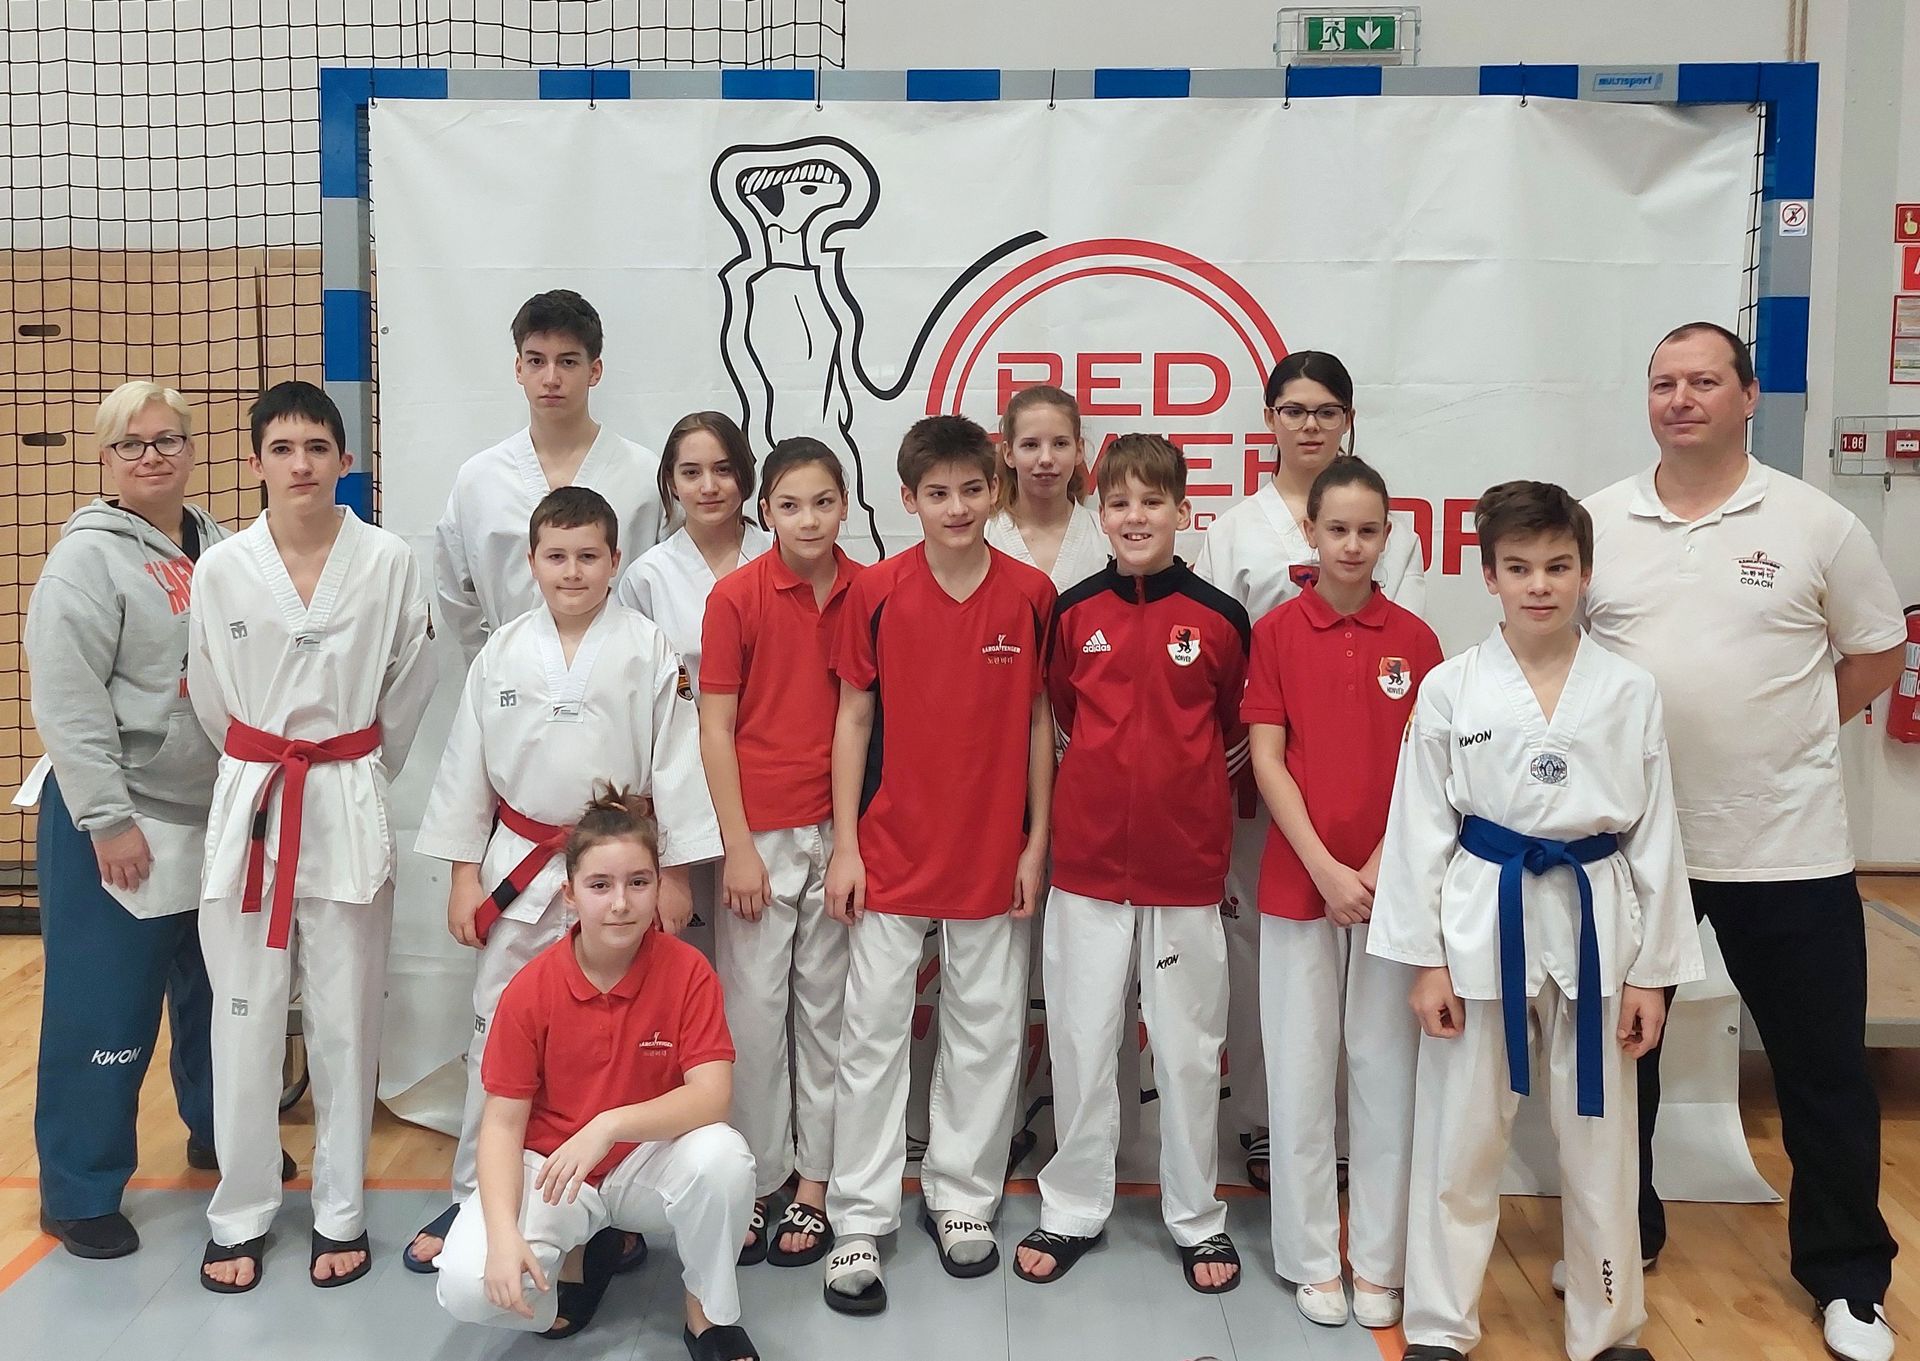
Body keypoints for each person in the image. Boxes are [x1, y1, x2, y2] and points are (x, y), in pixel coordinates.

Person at [1583, 322, 1907, 1361]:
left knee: (1822, 1071)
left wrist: (1786, 737)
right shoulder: (1600, 521)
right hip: (1636, 848)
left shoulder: (1817, 523)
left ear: (1749, 395)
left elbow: (1875, 654)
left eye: (1703, 381)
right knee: (1617, 1064)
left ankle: (1849, 1278)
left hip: (1787, 847)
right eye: (1663, 383)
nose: (1681, 399)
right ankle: (1622, 1240)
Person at [1369, 480, 1703, 1361]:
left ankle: (1609, 1325)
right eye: (1519, 567)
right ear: (1489, 576)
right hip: (1483, 921)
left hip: (1597, 922)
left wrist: (1652, 972)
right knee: (1461, 1138)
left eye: (1558, 566)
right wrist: (1425, 961)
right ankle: (1440, 1323)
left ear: (1585, 572)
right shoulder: (1450, 686)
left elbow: (1656, 835)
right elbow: (1419, 829)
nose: (1540, 584)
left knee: (1602, 1144)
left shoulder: (1628, 688)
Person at [405, 485, 722, 1272]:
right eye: (557, 556)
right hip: (520, 861)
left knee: (620, 1035)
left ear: (616, 559)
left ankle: (610, 1200)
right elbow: (467, 769)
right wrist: (463, 875)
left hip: (618, 868)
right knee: (497, 1029)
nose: (572, 571)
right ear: (531, 561)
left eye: (588, 556)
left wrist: (675, 875)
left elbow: (677, 766)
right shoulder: (502, 651)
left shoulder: (647, 647)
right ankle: (477, 1196)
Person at [188, 381, 436, 1292]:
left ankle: (341, 1209)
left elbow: (410, 680)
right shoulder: (222, 568)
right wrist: (261, 762)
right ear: (256, 461)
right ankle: (240, 1211)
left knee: (346, 1019)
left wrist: (357, 767)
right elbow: (209, 694)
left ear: (345, 460)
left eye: (318, 447)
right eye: (283, 448)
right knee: (243, 1015)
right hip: (255, 799)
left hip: (344, 794)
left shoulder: (388, 560)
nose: (302, 464)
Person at [819, 415, 1056, 1315]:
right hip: (888, 851)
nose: (956, 507)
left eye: (971, 489)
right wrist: (846, 844)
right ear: (907, 498)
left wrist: (1034, 842)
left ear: (995, 491)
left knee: (986, 1034)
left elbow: (1038, 721)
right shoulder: (876, 591)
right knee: (871, 1038)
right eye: (937, 493)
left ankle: (962, 1199)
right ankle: (858, 1216)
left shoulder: (1032, 594)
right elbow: (853, 718)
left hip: (992, 851)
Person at [1011, 434, 1250, 1293]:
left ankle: (1196, 1215)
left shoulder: (1221, 618)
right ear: (1100, 514)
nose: (1136, 517)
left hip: (1184, 871)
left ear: (1184, 511)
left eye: (1153, 501)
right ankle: (1075, 1205)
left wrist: (1183, 808)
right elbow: (1064, 721)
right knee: (1081, 1041)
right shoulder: (1073, 612)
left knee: (1188, 1052)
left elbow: (1232, 736)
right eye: (1119, 503)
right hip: (1085, 868)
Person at [1195, 350, 1426, 1190]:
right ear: (1269, 419)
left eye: (1327, 410)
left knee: (1367, 967)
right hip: (1262, 768)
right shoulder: (1235, 528)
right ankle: (1269, 1122)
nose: (1310, 425)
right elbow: (1214, 655)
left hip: (1361, 771)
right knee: (1266, 954)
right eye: (1293, 410)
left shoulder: (1387, 527)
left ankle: (1351, 1130)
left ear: (1348, 420)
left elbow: (1407, 658)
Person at [434, 785, 760, 1361]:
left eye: (639, 882)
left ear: (658, 887)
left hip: (644, 1162)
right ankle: (583, 1255)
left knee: (724, 1157)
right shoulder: (529, 989)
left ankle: (706, 1314)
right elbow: (502, 1126)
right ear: (570, 894)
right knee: (467, 1286)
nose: (621, 904)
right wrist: (504, 1237)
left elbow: (712, 1097)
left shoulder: (689, 972)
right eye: (600, 885)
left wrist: (609, 1125)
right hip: (556, 1170)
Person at [24, 382, 233, 1259]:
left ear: (191, 447)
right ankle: (78, 1189)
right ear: (106, 459)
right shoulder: (86, 562)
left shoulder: (221, 545)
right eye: (130, 444)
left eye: (167, 439)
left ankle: (224, 1139)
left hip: (212, 814)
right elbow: (68, 699)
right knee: (106, 1011)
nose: (152, 456)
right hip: (119, 818)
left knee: (220, 997)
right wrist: (106, 819)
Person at [1244, 455, 1443, 1329]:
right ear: (1311, 533)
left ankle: (1381, 1261)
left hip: (1393, 889)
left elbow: (1429, 772)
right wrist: (1326, 868)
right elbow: (1266, 759)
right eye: (1337, 529)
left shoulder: (1419, 640)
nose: (1352, 545)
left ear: (1387, 536)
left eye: (1368, 530)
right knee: (1298, 1073)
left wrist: (1380, 865)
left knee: (1385, 1073)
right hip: (1302, 882)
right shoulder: (1277, 632)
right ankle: (1311, 1256)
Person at [699, 438, 862, 1270]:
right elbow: (714, 726)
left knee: (827, 1015)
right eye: (790, 504)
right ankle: (759, 1178)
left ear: (846, 505)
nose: (808, 520)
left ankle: (816, 1182)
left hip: (839, 828)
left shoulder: (870, 590)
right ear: (764, 511)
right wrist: (737, 847)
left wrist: (849, 844)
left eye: (823, 502)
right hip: (757, 832)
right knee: (755, 1018)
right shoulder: (735, 596)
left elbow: (863, 720)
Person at [435, 288, 667, 663]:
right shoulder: (479, 480)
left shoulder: (643, 475)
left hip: (623, 671)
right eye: (536, 361)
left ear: (595, 370)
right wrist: (494, 659)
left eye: (568, 362)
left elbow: (666, 583)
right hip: (512, 674)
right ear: (519, 368)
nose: (551, 378)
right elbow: (456, 594)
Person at [983, 384, 1107, 590]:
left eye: (1060, 444)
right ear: (1008, 454)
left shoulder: (1107, 536)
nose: (1046, 459)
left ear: (1079, 450)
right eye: (1031, 445)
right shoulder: (984, 537)